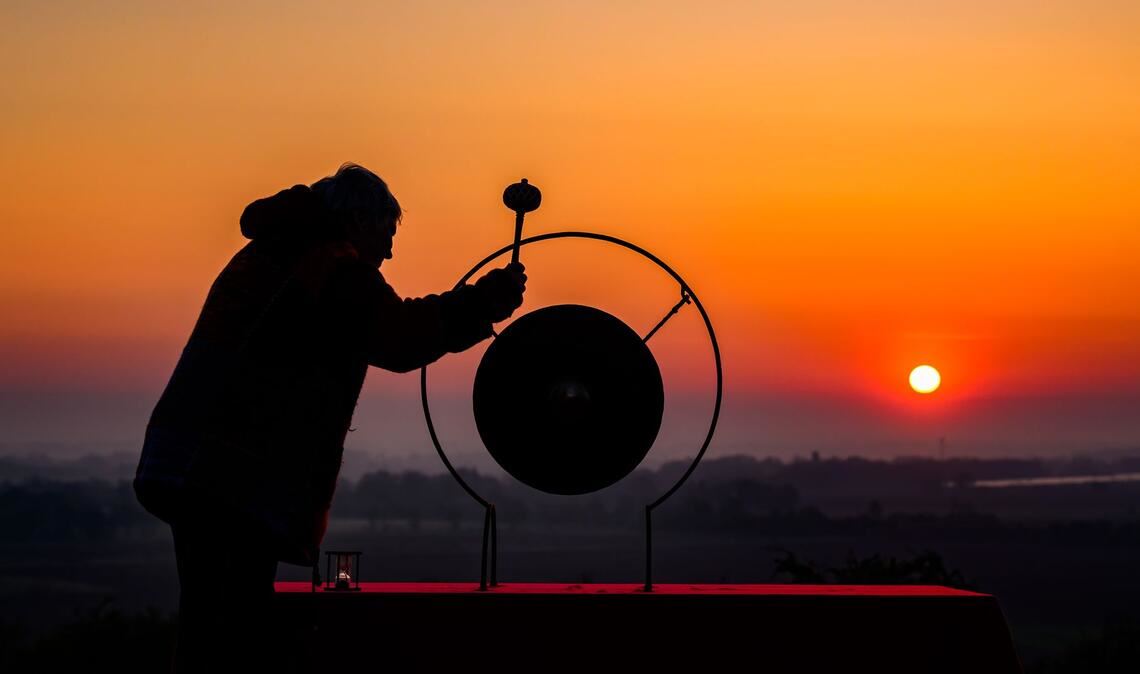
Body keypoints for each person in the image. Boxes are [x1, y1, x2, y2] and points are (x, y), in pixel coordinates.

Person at [133, 163, 526, 672]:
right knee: (231, 623)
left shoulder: (275, 251)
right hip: (230, 472)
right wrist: (481, 303)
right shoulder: (327, 266)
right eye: (385, 235)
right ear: (357, 223)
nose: (388, 253)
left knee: (210, 617)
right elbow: (397, 335)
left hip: (195, 460)